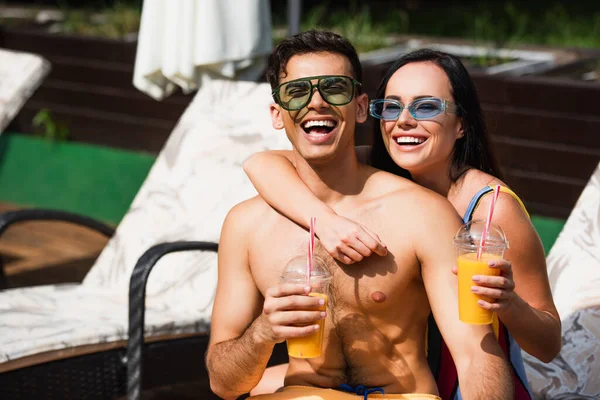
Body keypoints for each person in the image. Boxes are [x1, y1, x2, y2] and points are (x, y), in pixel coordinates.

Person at [205, 29, 514, 400]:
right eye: (297, 92)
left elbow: (475, 353)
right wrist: (263, 332)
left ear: (360, 106)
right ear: (277, 113)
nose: (316, 103)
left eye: (334, 89)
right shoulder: (246, 226)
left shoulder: (422, 213)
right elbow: (223, 384)